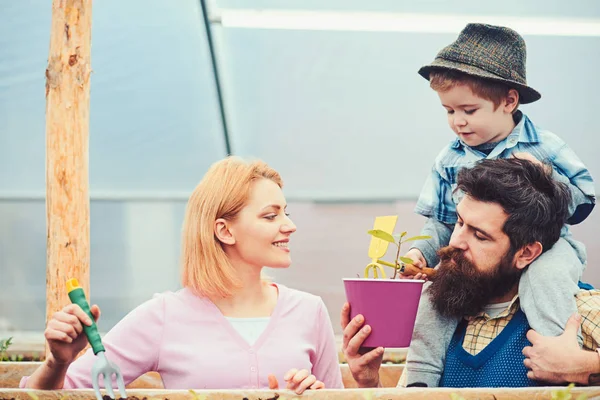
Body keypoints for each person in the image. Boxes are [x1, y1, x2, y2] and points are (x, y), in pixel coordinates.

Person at [22, 156, 343, 394]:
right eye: (271, 215)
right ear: (224, 231)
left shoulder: (308, 311)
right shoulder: (165, 315)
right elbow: (53, 394)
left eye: (286, 213)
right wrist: (57, 363)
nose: (289, 225)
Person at [400, 23, 595, 387]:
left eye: (469, 110)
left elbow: (585, 200)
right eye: (448, 111)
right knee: (436, 294)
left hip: (550, 249)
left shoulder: (545, 145)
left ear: (509, 101)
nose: (458, 121)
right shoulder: (448, 159)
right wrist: (418, 254)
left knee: (546, 277)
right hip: (492, 267)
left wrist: (547, 179)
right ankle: (419, 382)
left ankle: (558, 356)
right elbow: (440, 224)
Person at [342, 158, 600, 387]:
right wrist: (370, 382)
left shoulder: (581, 312)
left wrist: (588, 366)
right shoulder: (442, 316)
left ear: (526, 254)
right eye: (460, 222)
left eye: (479, 236)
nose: (455, 242)